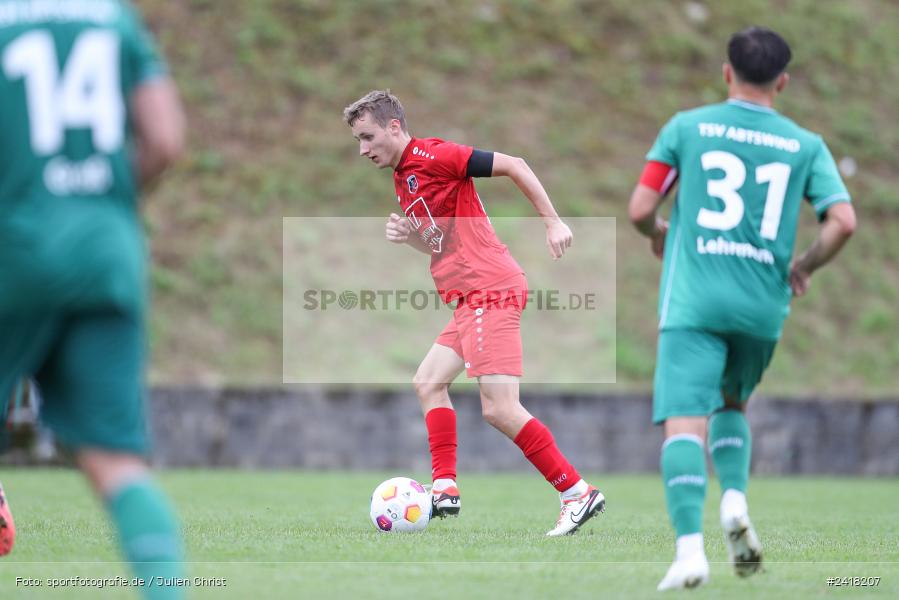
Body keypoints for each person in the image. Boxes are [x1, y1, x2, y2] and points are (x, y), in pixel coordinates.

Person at [628, 26, 856, 590]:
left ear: (727, 72)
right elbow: (843, 221)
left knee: (685, 421)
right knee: (733, 404)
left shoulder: (687, 128)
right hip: (761, 307)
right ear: (783, 80)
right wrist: (804, 265)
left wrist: (658, 231)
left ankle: (688, 553)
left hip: (695, 301)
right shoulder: (806, 145)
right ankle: (734, 500)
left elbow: (639, 208)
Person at [344, 90, 605, 536]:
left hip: (490, 290)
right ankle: (445, 487)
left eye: (368, 136)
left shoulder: (435, 155)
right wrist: (408, 235)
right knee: (428, 381)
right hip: (469, 298)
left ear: (393, 127)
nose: (363, 149)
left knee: (500, 408)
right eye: (357, 141)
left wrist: (553, 221)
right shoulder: (404, 176)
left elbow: (515, 164)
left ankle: (575, 492)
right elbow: (439, 242)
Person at [0, 1, 186, 597]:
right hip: (107, 253)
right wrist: (97, 209)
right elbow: (163, 140)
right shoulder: (112, 19)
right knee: (115, 462)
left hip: (14, 246)